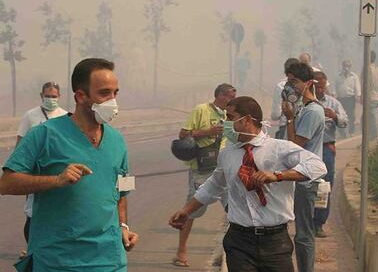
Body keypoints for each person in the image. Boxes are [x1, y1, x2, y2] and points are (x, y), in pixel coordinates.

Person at [0, 58, 139, 271]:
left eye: (115, 93)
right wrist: (56, 180)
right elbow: (6, 183)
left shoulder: (117, 141)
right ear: (81, 96)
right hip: (59, 261)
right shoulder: (45, 134)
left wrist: (123, 226)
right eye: (104, 93)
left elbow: (123, 189)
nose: (112, 100)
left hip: (110, 259)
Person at [169, 96, 327, 272]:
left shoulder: (280, 149)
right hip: (239, 241)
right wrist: (186, 210)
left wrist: (279, 175)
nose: (226, 122)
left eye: (230, 117)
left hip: (275, 242)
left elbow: (317, 166)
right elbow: (214, 184)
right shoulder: (227, 154)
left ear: (247, 120)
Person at [173, 83, 236, 267]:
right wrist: (208, 132)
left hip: (223, 168)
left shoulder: (229, 115)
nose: (232, 101)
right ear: (220, 96)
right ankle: (181, 250)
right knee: (191, 209)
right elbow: (184, 134)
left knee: (233, 208)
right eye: (230, 97)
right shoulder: (201, 110)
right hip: (201, 169)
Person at [281, 62, 325, 272]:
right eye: (288, 81)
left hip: (305, 180)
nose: (290, 86)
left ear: (308, 83)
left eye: (294, 82)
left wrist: (289, 119)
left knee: (304, 233)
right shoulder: (304, 108)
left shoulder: (312, 112)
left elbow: (295, 146)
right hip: (295, 177)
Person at [16, 82, 67, 258]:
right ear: (41, 95)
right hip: (36, 173)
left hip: (58, 173)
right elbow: (20, 143)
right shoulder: (30, 116)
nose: (51, 99)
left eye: (54, 96)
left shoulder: (66, 116)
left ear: (59, 97)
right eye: (48, 96)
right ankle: (32, 249)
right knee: (32, 212)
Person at [313, 71, 348, 238]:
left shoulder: (333, 103)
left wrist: (334, 116)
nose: (320, 90)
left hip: (326, 148)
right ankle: (305, 220)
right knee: (305, 184)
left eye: (322, 86)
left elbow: (344, 122)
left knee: (325, 185)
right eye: (316, 86)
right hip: (307, 148)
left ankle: (319, 222)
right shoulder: (304, 103)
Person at [271, 58, 300, 139]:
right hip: (302, 125)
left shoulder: (281, 86)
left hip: (285, 125)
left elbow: (276, 114)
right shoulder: (305, 85)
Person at [335, 60, 361, 137]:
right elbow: (335, 87)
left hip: (350, 99)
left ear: (350, 67)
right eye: (344, 66)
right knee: (340, 116)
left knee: (351, 116)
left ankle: (351, 131)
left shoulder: (354, 77)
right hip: (340, 99)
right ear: (342, 66)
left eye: (348, 66)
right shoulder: (338, 76)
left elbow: (357, 88)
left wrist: (358, 96)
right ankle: (342, 132)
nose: (346, 68)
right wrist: (333, 95)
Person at [362, 51, 378, 140]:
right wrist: (377, 93)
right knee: (370, 115)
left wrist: (362, 95)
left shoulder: (366, 68)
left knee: (370, 116)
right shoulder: (377, 68)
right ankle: (370, 133)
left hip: (369, 96)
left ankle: (373, 133)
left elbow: (364, 82)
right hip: (376, 96)